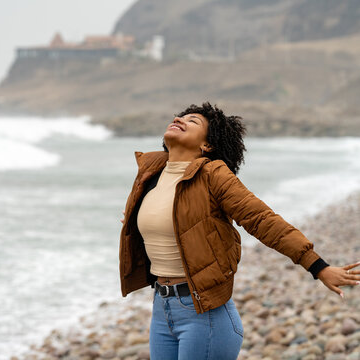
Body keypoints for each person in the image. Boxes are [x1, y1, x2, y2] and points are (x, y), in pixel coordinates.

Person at [118, 102, 360, 360]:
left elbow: (263, 221)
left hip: (205, 317)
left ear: (206, 146)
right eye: (180, 116)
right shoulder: (150, 173)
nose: (180, 119)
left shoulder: (214, 175)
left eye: (193, 121)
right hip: (161, 310)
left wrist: (318, 266)